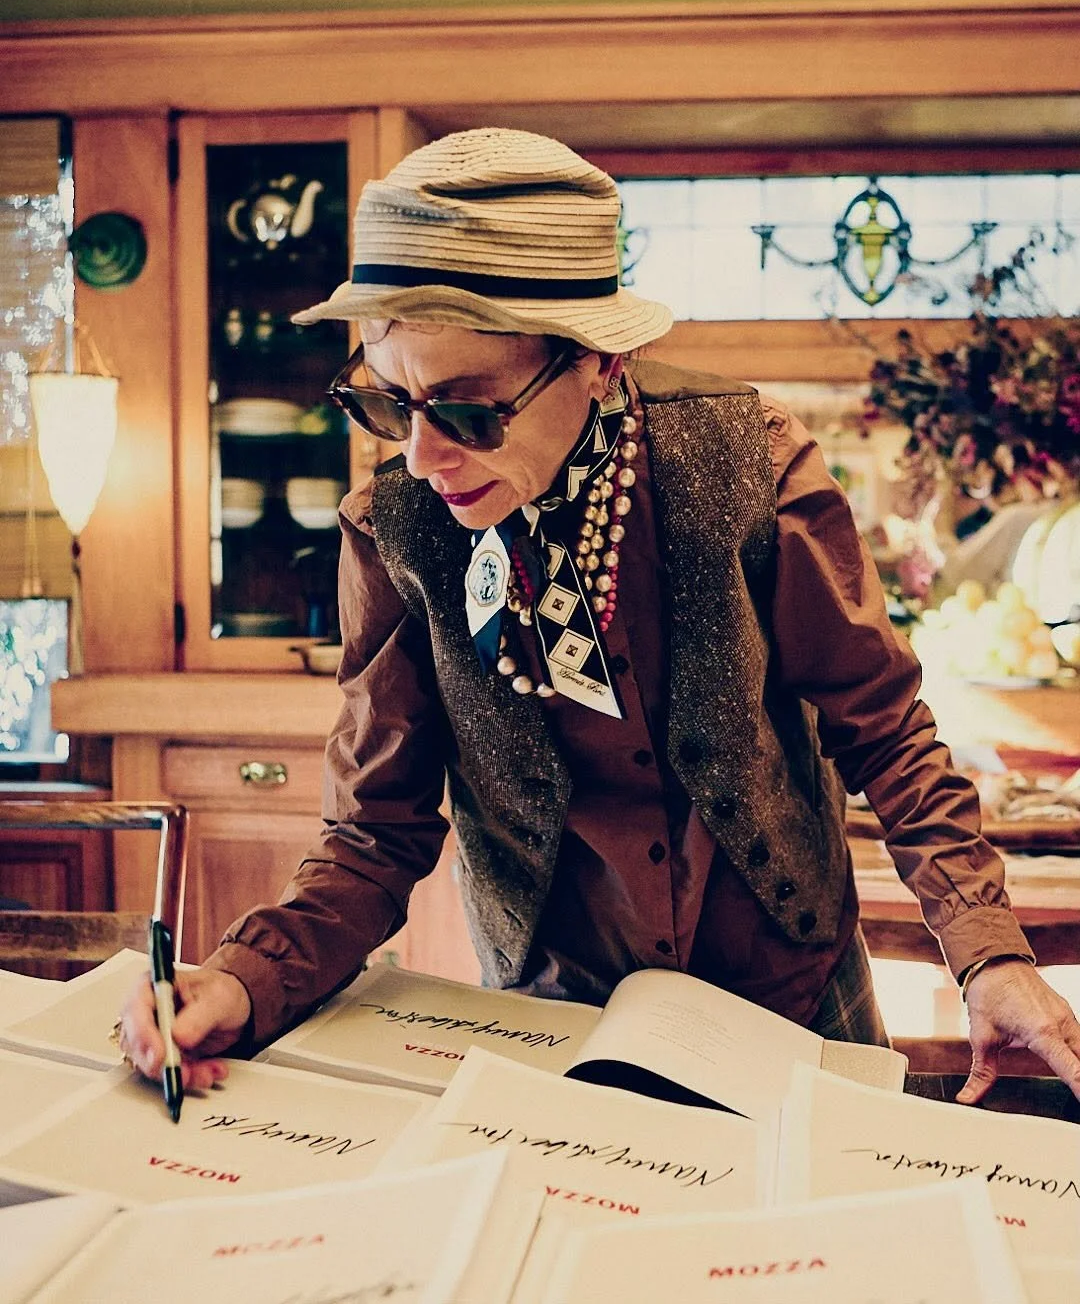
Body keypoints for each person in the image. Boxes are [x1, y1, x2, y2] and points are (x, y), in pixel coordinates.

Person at [119, 128, 1080, 1105]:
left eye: (467, 409)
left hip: (789, 987)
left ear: (601, 364)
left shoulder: (755, 466)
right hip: (549, 1009)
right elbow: (374, 834)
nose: (420, 456)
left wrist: (989, 954)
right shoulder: (393, 529)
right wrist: (245, 977)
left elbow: (885, 733)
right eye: (389, 401)